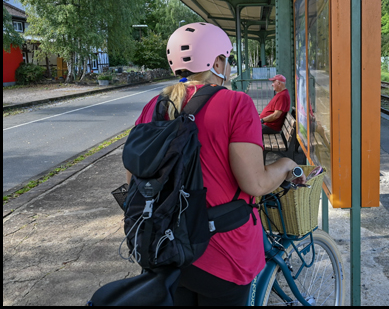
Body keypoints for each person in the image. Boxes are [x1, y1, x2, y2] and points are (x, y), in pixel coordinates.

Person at [125, 22, 306, 306]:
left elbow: (133, 179)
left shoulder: (154, 106)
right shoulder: (236, 103)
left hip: (165, 247)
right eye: (228, 60)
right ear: (218, 62)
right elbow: (255, 183)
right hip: (223, 253)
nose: (230, 67)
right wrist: (284, 164)